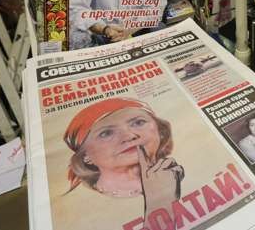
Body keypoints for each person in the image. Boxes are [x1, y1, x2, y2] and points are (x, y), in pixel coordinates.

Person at [64, 98, 183, 229]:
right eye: (106, 133)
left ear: (160, 131)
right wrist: (161, 202)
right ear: (86, 156)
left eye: (138, 122)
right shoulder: (78, 215)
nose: (129, 136)